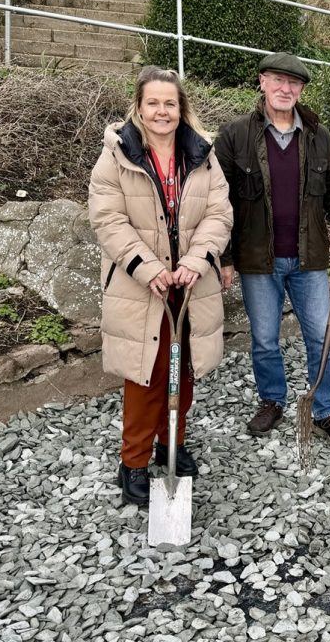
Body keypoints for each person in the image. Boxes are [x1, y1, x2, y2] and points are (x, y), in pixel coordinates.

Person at [88, 66, 234, 507]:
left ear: (181, 108)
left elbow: (219, 213)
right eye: (153, 102)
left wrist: (196, 261)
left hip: (189, 285)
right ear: (139, 106)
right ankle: (132, 461)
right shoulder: (117, 156)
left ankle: (171, 444)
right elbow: (107, 219)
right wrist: (147, 267)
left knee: (183, 371)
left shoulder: (203, 155)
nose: (162, 111)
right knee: (145, 374)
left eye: (170, 103)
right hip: (141, 285)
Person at [215, 52, 330, 448]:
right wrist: (225, 258)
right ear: (262, 82)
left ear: (301, 90)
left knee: (321, 337)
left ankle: (326, 410)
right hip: (256, 260)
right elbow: (218, 201)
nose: (286, 89)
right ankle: (272, 401)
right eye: (278, 81)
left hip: (308, 258)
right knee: (265, 339)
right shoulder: (234, 135)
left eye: (294, 83)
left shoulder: (318, 135)